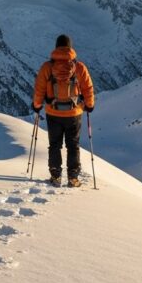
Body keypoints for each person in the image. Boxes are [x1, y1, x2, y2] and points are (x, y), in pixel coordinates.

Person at [31, 34, 95, 187]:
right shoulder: (79, 67)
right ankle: (73, 178)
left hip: (53, 112)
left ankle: (55, 176)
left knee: (55, 144)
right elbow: (88, 88)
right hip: (74, 113)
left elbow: (39, 89)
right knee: (73, 145)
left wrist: (37, 105)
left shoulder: (47, 67)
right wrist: (90, 105)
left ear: (56, 48)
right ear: (70, 48)